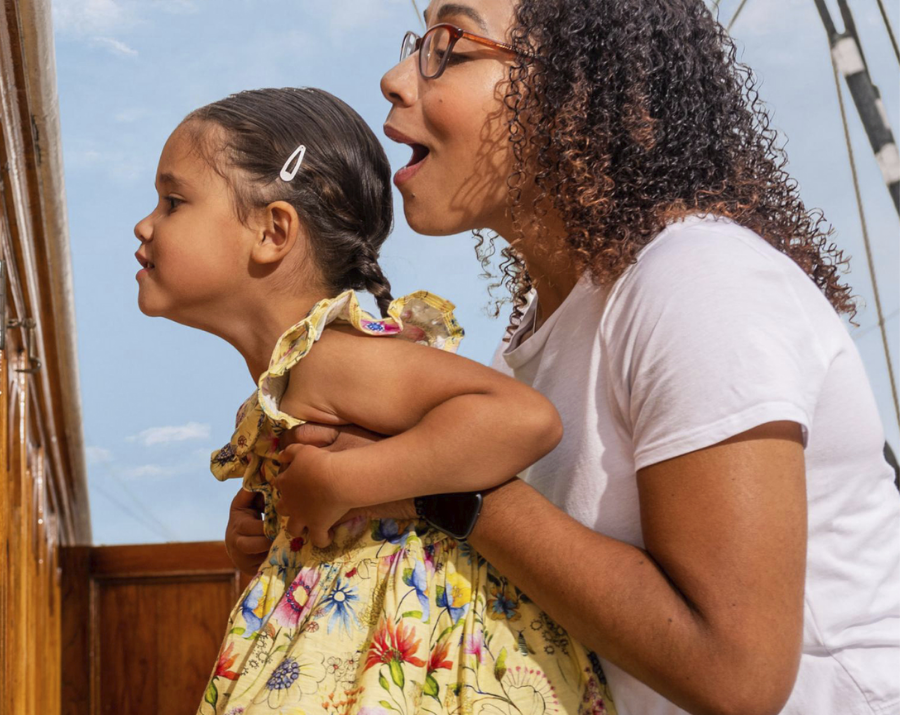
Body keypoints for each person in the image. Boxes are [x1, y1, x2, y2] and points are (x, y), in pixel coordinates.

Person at [224, 2, 900, 714]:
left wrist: (438, 484)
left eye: (448, 47)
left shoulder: (699, 281)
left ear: (573, 91)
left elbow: (736, 676)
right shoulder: (532, 335)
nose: (395, 79)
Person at [136, 87, 616, 714]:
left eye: (174, 201)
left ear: (273, 231)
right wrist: (269, 538)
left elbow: (522, 419)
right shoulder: (291, 379)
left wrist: (341, 477)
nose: (146, 223)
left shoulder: (331, 357)